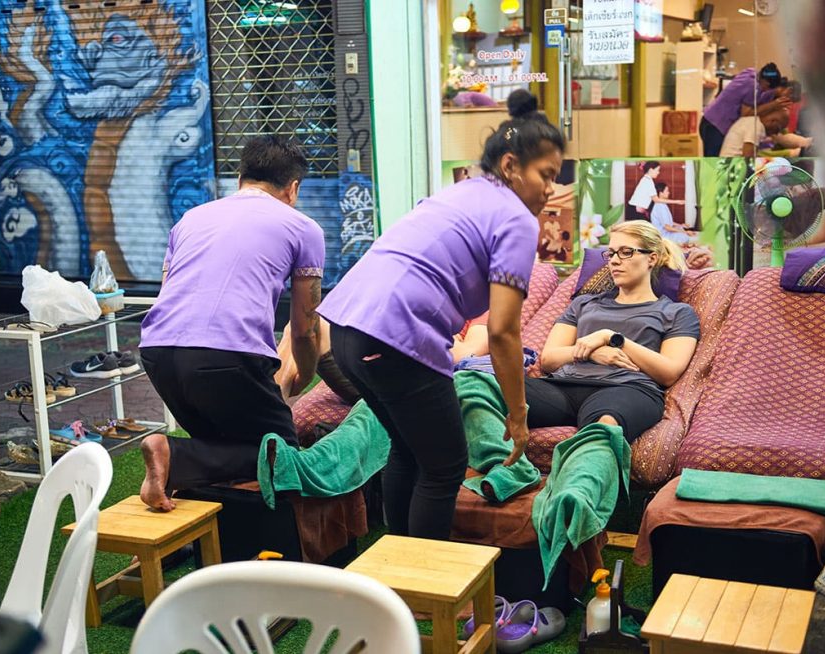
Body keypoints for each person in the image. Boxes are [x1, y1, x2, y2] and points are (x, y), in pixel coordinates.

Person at [317, 89, 564, 540]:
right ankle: (423, 586)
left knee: (409, 450)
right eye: (545, 175)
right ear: (510, 166)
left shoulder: (462, 192)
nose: (550, 189)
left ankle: (398, 571)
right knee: (446, 463)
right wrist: (517, 412)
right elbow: (505, 331)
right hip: (394, 336)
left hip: (347, 329)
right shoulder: (517, 219)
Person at [137, 136, 325, 512]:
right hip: (227, 355)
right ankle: (170, 453)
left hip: (157, 351)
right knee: (279, 450)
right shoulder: (303, 228)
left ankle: (198, 510)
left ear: (240, 178)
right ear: (293, 188)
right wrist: (305, 373)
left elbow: (169, 293)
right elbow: (304, 327)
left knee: (222, 444)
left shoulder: (190, 219)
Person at [526, 221, 699, 443]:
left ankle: (582, 478)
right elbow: (549, 359)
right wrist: (591, 352)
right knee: (476, 386)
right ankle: (503, 467)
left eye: (626, 252)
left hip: (626, 390)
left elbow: (669, 372)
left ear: (652, 258)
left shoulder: (676, 312)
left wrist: (611, 338)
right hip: (562, 386)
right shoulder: (583, 304)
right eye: (612, 253)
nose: (615, 260)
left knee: (604, 427)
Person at [275, 313, 491, 405]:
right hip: (372, 362)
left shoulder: (483, 305)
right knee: (304, 323)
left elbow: (469, 355)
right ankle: (274, 405)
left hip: (416, 381)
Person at [700, 62, 791, 157]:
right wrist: (773, 105)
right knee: (713, 162)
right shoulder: (752, 85)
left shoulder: (752, 73)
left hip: (711, 120)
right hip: (715, 124)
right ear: (766, 83)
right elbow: (746, 112)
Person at [719, 107, 790, 157]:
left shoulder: (752, 120)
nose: (776, 133)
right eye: (778, 129)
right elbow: (748, 156)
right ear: (773, 121)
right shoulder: (756, 126)